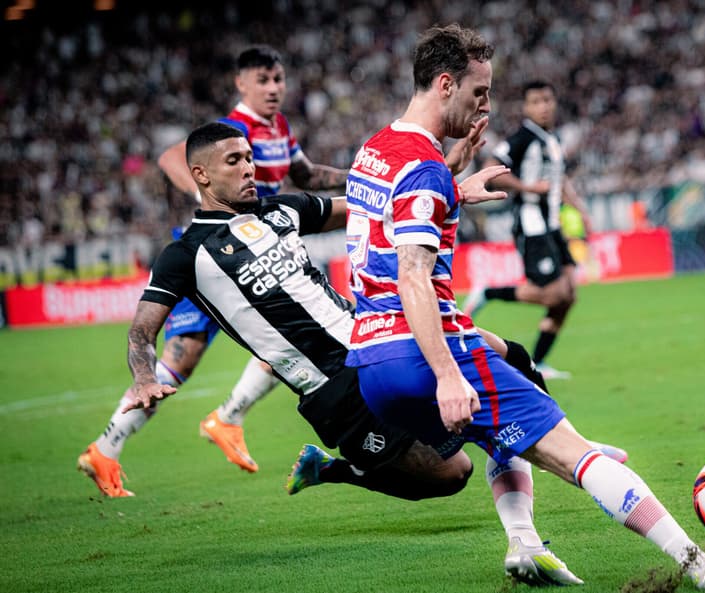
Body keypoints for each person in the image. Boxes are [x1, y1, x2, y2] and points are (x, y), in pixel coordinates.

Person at [345, 24, 705, 589]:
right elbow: (413, 275)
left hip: (373, 367)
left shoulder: (375, 151)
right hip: (428, 352)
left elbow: (394, 220)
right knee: (575, 453)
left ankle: (524, 544)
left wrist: (454, 183)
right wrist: (446, 374)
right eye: (479, 92)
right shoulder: (424, 168)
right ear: (445, 85)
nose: (486, 106)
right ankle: (699, 563)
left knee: (506, 420)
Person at [118, 121, 603, 586]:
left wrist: (450, 184)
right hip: (332, 394)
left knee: (499, 353)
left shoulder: (280, 211)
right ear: (201, 174)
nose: (249, 168)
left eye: (249, 157)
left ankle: (569, 454)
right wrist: (143, 377)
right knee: (451, 475)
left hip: (376, 344)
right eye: (233, 161)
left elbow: (373, 206)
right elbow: (141, 331)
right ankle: (335, 470)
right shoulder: (185, 255)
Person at [78, 45, 351, 494]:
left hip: (260, 250)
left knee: (281, 339)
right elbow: (171, 158)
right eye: (262, 80)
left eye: (278, 79)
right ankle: (120, 444)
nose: (273, 88)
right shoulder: (232, 129)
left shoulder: (279, 127)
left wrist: (360, 175)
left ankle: (206, 423)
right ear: (241, 84)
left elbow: (307, 177)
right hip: (219, 256)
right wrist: (213, 208)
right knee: (186, 357)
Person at [462, 81, 591, 380]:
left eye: (547, 100)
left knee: (568, 295)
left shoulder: (552, 139)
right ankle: (488, 292)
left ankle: (540, 361)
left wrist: (580, 209)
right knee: (553, 293)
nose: (543, 106)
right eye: (536, 101)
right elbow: (493, 168)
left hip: (553, 225)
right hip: (532, 224)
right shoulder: (523, 137)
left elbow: (559, 180)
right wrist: (527, 187)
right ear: (526, 107)